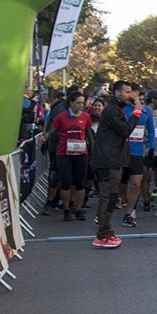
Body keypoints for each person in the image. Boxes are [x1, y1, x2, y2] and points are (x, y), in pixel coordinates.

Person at [91, 80, 140, 249]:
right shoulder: (112, 110)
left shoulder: (115, 109)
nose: (129, 95)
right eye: (126, 92)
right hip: (107, 160)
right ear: (117, 93)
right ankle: (103, 234)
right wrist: (137, 113)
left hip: (113, 158)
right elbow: (125, 130)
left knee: (111, 196)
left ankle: (106, 231)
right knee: (108, 196)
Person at [47, 88, 93, 220]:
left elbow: (89, 134)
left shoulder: (85, 117)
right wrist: (45, 137)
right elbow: (53, 130)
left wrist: (92, 150)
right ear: (71, 103)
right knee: (65, 181)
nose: (81, 105)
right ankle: (66, 209)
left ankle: (78, 209)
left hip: (80, 153)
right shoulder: (61, 117)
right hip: (64, 153)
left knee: (80, 182)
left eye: (82, 103)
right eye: (78, 103)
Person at [118, 85, 155, 229]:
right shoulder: (121, 110)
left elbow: (151, 130)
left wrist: (151, 148)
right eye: (129, 93)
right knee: (118, 181)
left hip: (138, 151)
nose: (133, 96)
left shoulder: (146, 111)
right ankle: (113, 204)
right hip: (122, 151)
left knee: (136, 183)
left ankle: (129, 212)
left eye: (136, 94)